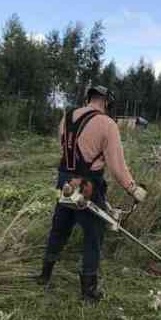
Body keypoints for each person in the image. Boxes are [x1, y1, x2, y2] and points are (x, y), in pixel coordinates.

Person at [37, 85, 146, 301]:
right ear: (106, 102)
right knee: (93, 236)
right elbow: (117, 167)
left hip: (65, 181)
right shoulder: (107, 124)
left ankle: (45, 275)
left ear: (89, 98)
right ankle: (89, 289)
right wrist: (133, 189)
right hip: (89, 187)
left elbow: (65, 151)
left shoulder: (66, 118)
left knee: (59, 228)